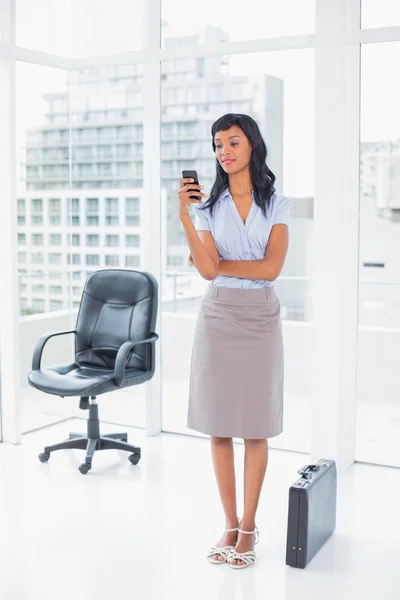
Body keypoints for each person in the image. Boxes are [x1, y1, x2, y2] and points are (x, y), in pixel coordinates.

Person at [178, 113, 290, 569]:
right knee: (220, 425)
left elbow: (270, 270)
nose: (224, 151)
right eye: (218, 144)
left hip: (260, 317)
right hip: (218, 314)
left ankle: (250, 526)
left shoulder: (276, 205)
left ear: (252, 147)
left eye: (233, 142)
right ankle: (229, 521)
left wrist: (219, 261)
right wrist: (185, 216)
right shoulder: (207, 209)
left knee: (255, 426)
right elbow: (206, 270)